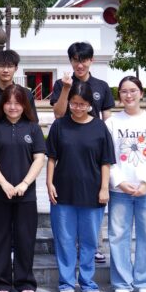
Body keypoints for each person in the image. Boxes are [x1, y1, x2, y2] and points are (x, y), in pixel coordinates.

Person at [45, 79, 115, 292]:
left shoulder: (99, 127)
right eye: (74, 103)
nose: (77, 108)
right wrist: (49, 183)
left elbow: (106, 161)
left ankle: (87, 282)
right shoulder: (59, 125)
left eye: (82, 104)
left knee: (88, 241)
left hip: (92, 192)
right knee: (64, 239)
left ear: (89, 105)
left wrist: (105, 188)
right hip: (63, 191)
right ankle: (66, 282)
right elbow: (51, 158)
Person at [49, 41, 114, 266]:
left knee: (94, 201)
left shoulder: (102, 86)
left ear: (91, 60)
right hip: (69, 144)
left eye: (84, 59)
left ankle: (94, 246)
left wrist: (108, 148)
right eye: (76, 60)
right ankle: (68, 249)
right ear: (71, 61)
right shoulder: (61, 84)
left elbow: (108, 119)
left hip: (93, 147)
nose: (80, 64)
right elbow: (58, 114)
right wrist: (66, 89)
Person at [106, 76, 146, 292]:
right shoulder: (112, 123)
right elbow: (107, 158)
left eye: (133, 91)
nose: (129, 95)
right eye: (124, 91)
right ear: (119, 95)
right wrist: (119, 181)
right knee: (118, 235)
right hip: (120, 190)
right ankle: (122, 282)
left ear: (141, 93)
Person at [0, 86, 46, 292]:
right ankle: (0, 282)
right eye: (8, 103)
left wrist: (24, 183)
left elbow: (39, 158)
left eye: (17, 103)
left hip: (25, 195)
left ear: (24, 105)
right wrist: (4, 184)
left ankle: (25, 282)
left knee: (25, 239)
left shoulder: (33, 128)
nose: (13, 107)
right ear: (2, 104)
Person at [0, 49, 33, 126]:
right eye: (1, 66)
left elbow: (32, 123)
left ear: (16, 68)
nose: (5, 70)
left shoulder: (26, 94)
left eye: (10, 66)